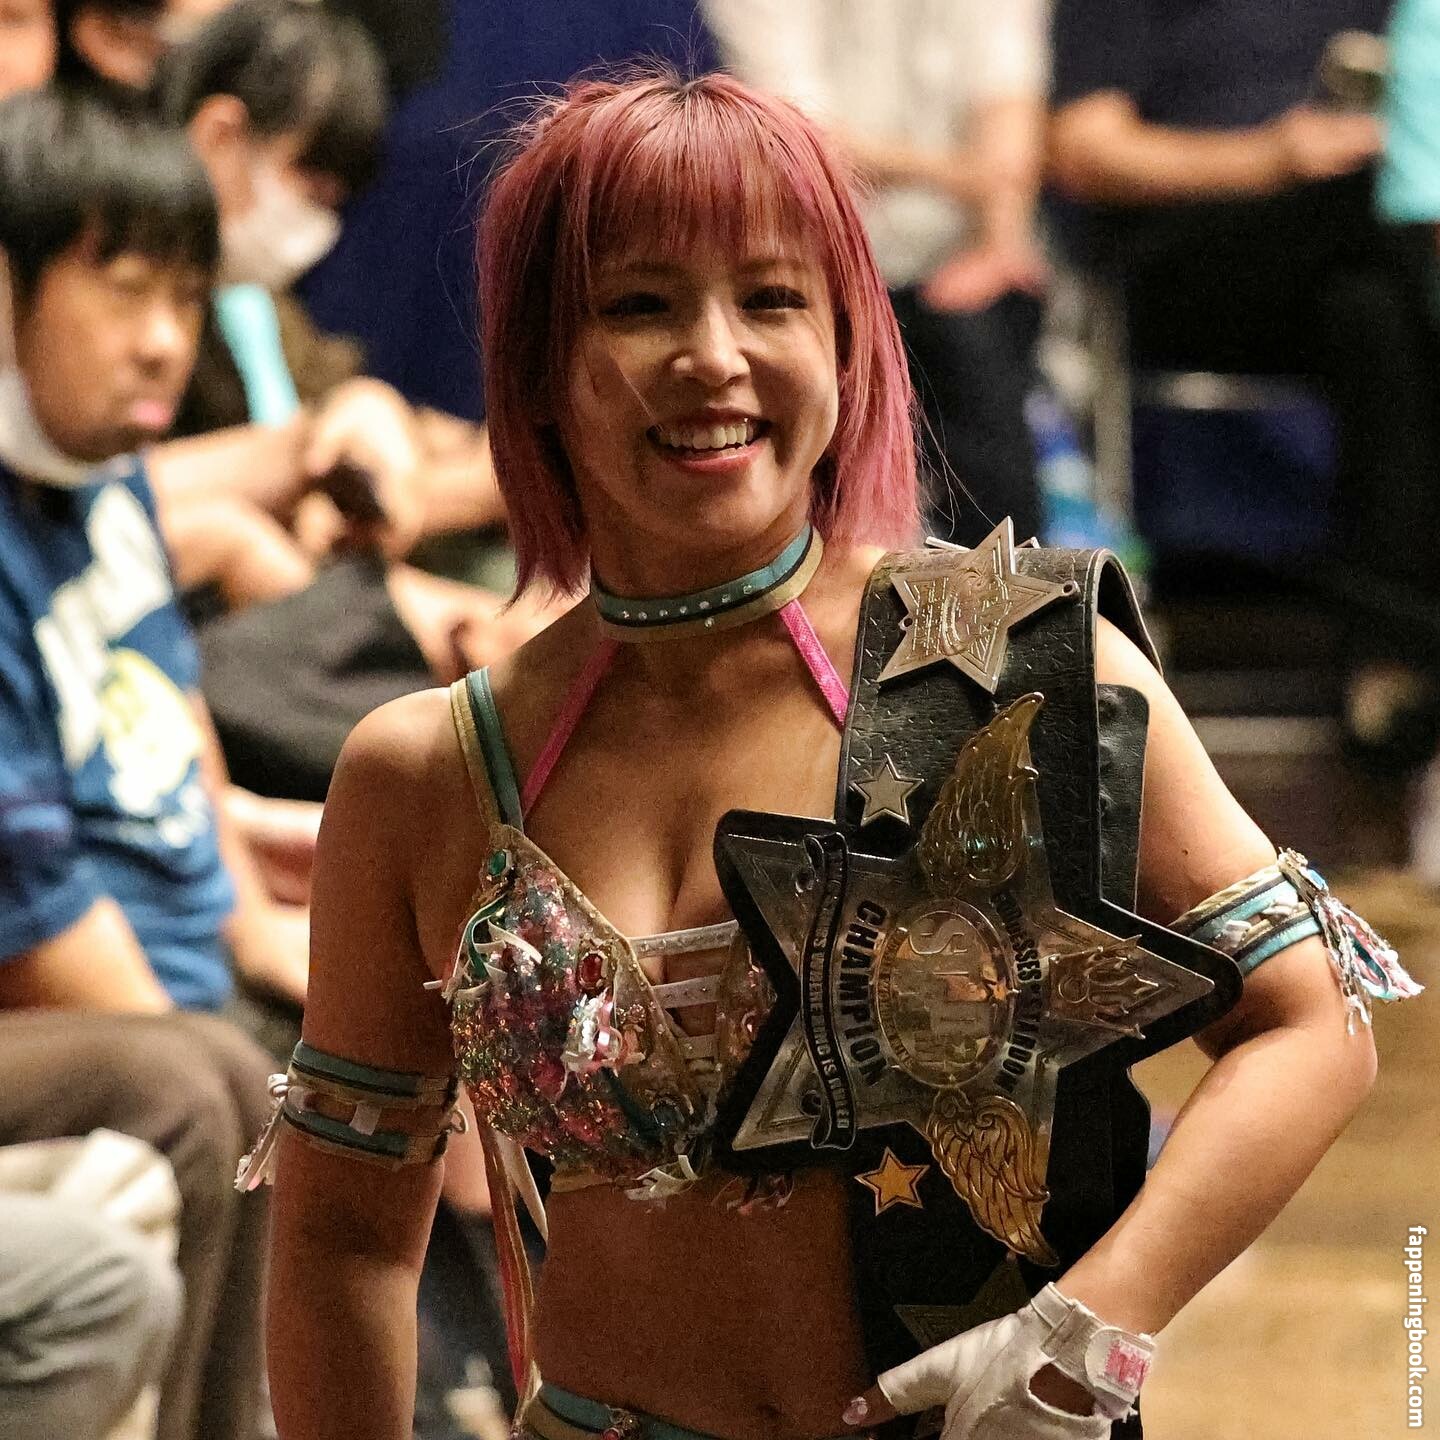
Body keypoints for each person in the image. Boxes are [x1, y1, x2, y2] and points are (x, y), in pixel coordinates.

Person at [261, 69, 1417, 1440]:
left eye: (771, 299)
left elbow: (1310, 1023)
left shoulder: (1006, 661)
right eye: (638, 305)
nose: (713, 356)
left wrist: (1081, 1336)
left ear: (852, 344)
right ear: (537, 368)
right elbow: (342, 1235)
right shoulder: (430, 769)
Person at [1047, 0, 1440, 764]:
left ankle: (1394, 668)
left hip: (1350, 266)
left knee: (1373, 313)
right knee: (1395, 211)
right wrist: (1270, 157)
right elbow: (1081, 149)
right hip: (1187, 259)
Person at [704, 0, 1049, 546]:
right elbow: (802, 141)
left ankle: (1006, 584)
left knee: (980, 354)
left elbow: (1007, 93)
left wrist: (997, 245)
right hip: (820, 263)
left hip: (956, 264)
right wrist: (963, 176)